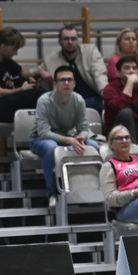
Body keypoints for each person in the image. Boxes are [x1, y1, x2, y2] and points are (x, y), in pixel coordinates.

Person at [30, 66, 101, 206]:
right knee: (51, 148)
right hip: (41, 138)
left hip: (67, 137)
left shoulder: (78, 100)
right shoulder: (44, 101)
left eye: (70, 80)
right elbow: (43, 132)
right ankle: (53, 193)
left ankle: (91, 190)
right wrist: (70, 140)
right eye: (62, 80)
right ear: (55, 84)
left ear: (74, 83)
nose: (67, 83)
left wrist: (82, 137)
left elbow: (83, 128)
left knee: (93, 146)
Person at [0, 26, 46, 123]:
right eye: (14, 49)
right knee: (35, 94)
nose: (16, 53)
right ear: (3, 46)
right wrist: (21, 89)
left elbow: (24, 72)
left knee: (36, 89)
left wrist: (31, 78)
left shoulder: (6, 60)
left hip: (4, 103)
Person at [43, 25, 108, 113]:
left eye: (73, 39)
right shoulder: (51, 59)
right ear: (59, 41)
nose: (70, 42)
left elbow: (99, 75)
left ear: (78, 40)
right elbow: (33, 72)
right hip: (66, 103)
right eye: (66, 39)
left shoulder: (90, 52)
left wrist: (106, 95)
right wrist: (41, 72)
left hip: (93, 99)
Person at [102, 56, 138, 143]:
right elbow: (120, 106)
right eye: (127, 68)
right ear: (118, 73)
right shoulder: (110, 89)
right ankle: (133, 149)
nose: (131, 71)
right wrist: (130, 83)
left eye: (134, 68)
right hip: (116, 131)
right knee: (126, 112)